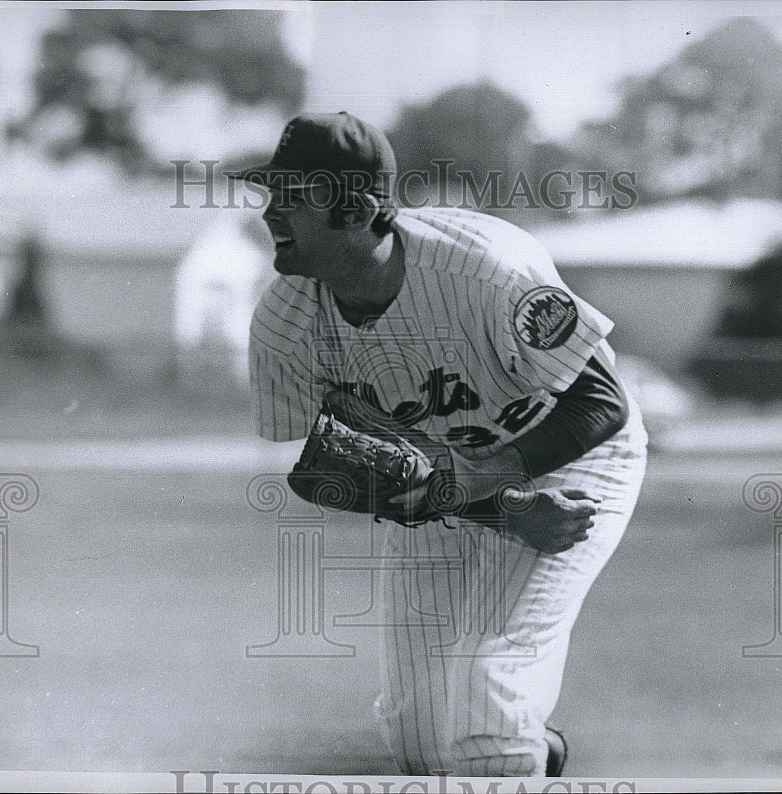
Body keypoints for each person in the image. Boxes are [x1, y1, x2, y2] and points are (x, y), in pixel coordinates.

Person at [239, 112, 648, 777]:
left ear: (356, 207)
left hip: (572, 457)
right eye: (269, 194)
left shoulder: (486, 270)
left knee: (488, 691)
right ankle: (536, 758)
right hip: (453, 484)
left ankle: (518, 754)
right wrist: (499, 505)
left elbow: (601, 402)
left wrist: (508, 485)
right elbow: (350, 467)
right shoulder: (285, 323)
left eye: (292, 196)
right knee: (418, 730)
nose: (269, 212)